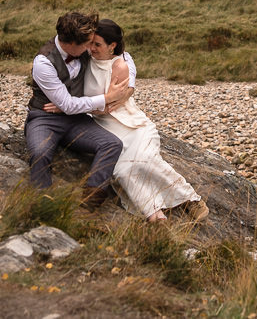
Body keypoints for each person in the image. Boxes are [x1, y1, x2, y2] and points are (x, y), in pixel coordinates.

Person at [73, 18, 207, 222]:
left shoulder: (120, 66)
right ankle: (156, 216)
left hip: (131, 124)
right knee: (122, 171)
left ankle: (191, 199)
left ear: (112, 46)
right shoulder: (84, 59)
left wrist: (80, 104)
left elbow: (106, 107)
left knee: (145, 159)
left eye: (97, 44)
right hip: (103, 128)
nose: (91, 48)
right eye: (90, 42)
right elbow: (100, 106)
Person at [25, 9, 133, 205]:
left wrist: (129, 86)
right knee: (40, 153)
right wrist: (107, 97)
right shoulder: (43, 62)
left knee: (112, 144)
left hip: (77, 121)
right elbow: (67, 104)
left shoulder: (83, 50)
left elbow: (123, 57)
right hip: (44, 119)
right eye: (87, 44)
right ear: (71, 44)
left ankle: (91, 201)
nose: (91, 48)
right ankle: (43, 204)